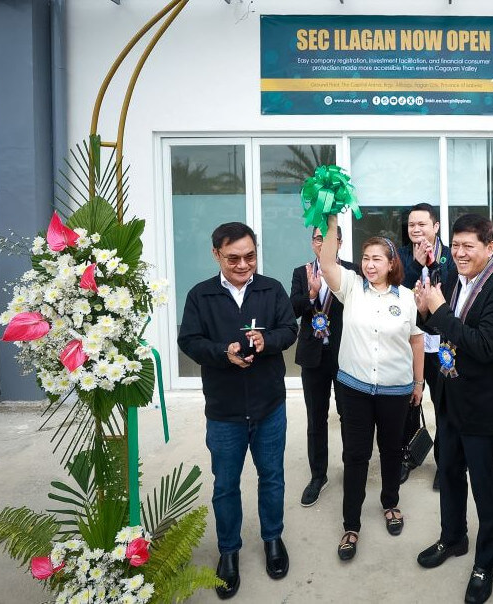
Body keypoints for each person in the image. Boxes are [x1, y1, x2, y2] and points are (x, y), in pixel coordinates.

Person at [178, 222, 297, 599]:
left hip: (269, 406)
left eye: (250, 256)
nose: (243, 265)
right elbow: (190, 340)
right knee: (225, 486)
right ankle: (228, 551)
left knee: (272, 477)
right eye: (234, 258)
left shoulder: (271, 288)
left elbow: (290, 330)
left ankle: (272, 539)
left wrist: (267, 340)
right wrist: (223, 353)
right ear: (216, 254)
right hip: (225, 410)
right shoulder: (202, 295)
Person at [414, 214, 493, 604]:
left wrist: (439, 312)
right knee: (450, 472)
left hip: (482, 407)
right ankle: (452, 537)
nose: (458, 253)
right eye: (454, 245)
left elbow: (486, 346)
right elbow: (441, 330)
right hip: (449, 399)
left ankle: (485, 563)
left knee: (486, 488)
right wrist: (426, 310)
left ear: (490, 248)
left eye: (467, 246)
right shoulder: (452, 278)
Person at [319, 213, 425, 562]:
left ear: (392, 263)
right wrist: (331, 219)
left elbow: (416, 342)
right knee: (355, 454)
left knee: (392, 450)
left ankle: (390, 503)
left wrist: (418, 383)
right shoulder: (350, 287)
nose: (369, 264)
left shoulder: (407, 298)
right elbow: (327, 260)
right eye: (365, 258)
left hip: (396, 388)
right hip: (355, 389)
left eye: (377, 258)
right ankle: (351, 523)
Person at [290, 225, 359, 507]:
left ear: (339, 243)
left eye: (329, 238)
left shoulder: (352, 271)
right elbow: (292, 309)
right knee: (315, 418)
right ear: (312, 242)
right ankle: (318, 476)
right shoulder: (301, 272)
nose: (323, 242)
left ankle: (351, 470)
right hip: (313, 357)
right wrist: (310, 294)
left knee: (349, 416)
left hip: (345, 355)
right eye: (319, 238)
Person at [396, 202, 455, 487]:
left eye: (422, 224)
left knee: (444, 405)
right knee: (410, 403)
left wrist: (431, 265)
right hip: (411, 344)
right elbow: (397, 293)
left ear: (436, 227)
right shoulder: (402, 255)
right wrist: (416, 265)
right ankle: (409, 456)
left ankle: (445, 464)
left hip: (443, 345)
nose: (416, 230)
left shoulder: (452, 256)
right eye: (411, 225)